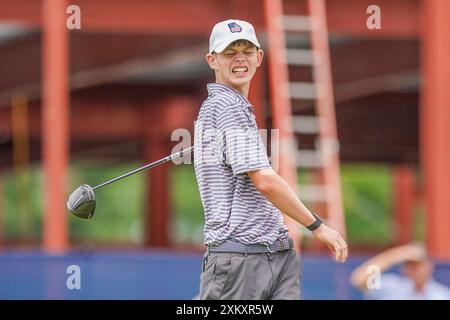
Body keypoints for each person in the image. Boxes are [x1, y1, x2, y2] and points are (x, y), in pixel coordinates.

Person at [193, 18, 348, 300]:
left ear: (259, 57)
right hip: (240, 259)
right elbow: (265, 181)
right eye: (230, 53)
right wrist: (317, 225)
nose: (240, 60)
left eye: (247, 51)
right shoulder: (226, 104)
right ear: (212, 60)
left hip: (274, 254)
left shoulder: (233, 107)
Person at [350, 243, 450, 300]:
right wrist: (395, 255)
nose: (416, 269)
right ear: (405, 268)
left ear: (430, 265)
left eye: (419, 264)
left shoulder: (442, 296)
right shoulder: (391, 288)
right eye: (410, 265)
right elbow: (358, 279)